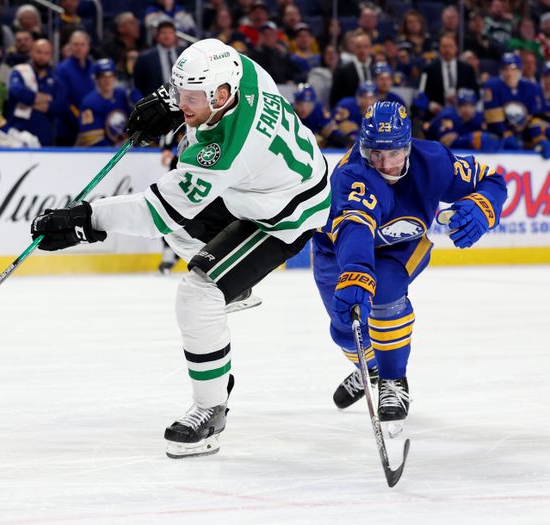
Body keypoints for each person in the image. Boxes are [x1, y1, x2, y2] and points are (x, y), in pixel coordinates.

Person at [30, 38, 330, 458]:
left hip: (284, 216)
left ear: (222, 96)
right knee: (184, 227)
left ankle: (211, 410)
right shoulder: (243, 71)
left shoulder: (226, 151)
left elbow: (159, 213)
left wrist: (86, 220)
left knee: (197, 294)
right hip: (261, 187)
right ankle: (236, 289)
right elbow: (208, 77)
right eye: (180, 93)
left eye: (192, 98)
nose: (184, 103)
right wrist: (174, 106)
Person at [312, 101, 507, 431]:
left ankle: (392, 381)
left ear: (408, 146)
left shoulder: (433, 160)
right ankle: (370, 368)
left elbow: (492, 180)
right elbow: (355, 228)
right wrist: (357, 270)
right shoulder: (353, 175)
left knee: (386, 291)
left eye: (392, 154)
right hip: (338, 251)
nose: (383, 164)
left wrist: (485, 204)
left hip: (401, 246)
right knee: (345, 328)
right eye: (374, 153)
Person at [483, 52, 550, 158]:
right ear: (501, 71)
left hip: (525, 136)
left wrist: (539, 138)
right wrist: (506, 134)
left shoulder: (531, 88)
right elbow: (493, 118)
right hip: (499, 137)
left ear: (520, 70)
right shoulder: (492, 86)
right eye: (505, 69)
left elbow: (535, 117)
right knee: (489, 140)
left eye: (513, 69)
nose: (509, 73)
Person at [6, 39, 65, 147]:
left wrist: (30, 102)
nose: (42, 57)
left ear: (50, 56)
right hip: (18, 134)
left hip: (45, 137)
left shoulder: (55, 79)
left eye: (46, 53)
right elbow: (17, 92)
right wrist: (46, 98)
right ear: (31, 52)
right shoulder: (20, 72)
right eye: (38, 52)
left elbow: (60, 105)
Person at [76, 59, 140, 146]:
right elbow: (91, 139)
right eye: (103, 76)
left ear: (115, 77)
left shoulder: (125, 95)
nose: (107, 80)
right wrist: (116, 148)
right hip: (103, 155)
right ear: (96, 79)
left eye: (110, 76)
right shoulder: (89, 103)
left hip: (128, 152)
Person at [423, 88, 502, 152]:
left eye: (471, 105)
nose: (467, 109)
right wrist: (470, 139)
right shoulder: (448, 116)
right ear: (457, 106)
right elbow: (445, 142)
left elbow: (492, 137)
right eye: (463, 105)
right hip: (431, 151)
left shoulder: (478, 117)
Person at [418, 32, 479, 115]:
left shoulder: (467, 69)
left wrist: (462, 98)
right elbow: (421, 93)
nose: (447, 50)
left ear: (456, 48)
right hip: (436, 116)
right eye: (444, 46)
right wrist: (430, 105)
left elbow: (476, 93)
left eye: (450, 46)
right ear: (439, 48)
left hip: (462, 116)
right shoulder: (429, 69)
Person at [54, 30, 96, 146]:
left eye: (82, 44)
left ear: (88, 47)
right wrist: (80, 120)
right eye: (75, 44)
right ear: (70, 46)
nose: (79, 48)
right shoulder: (62, 69)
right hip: (68, 128)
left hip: (91, 126)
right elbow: (63, 101)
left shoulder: (93, 68)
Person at [134, 20, 185, 96]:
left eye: (170, 33)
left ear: (175, 36)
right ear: (157, 36)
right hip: (156, 100)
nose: (167, 36)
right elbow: (138, 83)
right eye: (163, 33)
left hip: (183, 98)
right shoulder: (145, 57)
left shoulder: (184, 54)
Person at [293, 83, 352, 148]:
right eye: (300, 104)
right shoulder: (290, 112)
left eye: (308, 104)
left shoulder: (319, 111)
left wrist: (349, 141)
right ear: (295, 103)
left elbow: (332, 133)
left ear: (314, 104)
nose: (304, 109)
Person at [330, 30, 373, 107]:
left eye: (366, 46)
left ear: (370, 48)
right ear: (354, 48)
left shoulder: (374, 68)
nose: (362, 50)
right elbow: (334, 100)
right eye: (359, 47)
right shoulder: (342, 71)